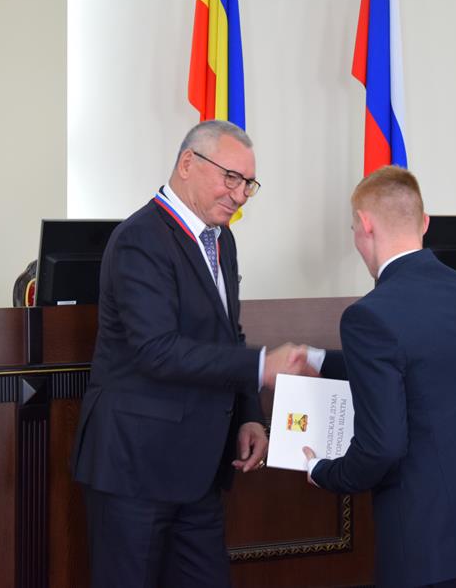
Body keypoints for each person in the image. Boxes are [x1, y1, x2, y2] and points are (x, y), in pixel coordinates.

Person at [71, 120, 308, 588]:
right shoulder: (140, 238)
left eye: (248, 184)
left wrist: (249, 415)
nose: (240, 196)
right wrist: (263, 366)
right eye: (231, 178)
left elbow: (227, 334)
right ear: (187, 164)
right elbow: (156, 351)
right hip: (135, 468)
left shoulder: (222, 240)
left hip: (199, 471)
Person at [303, 166, 456, 587]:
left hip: (430, 545)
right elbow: (426, 365)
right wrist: (317, 360)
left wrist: (325, 471)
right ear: (425, 223)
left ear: (365, 225)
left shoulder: (368, 316)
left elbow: (382, 447)